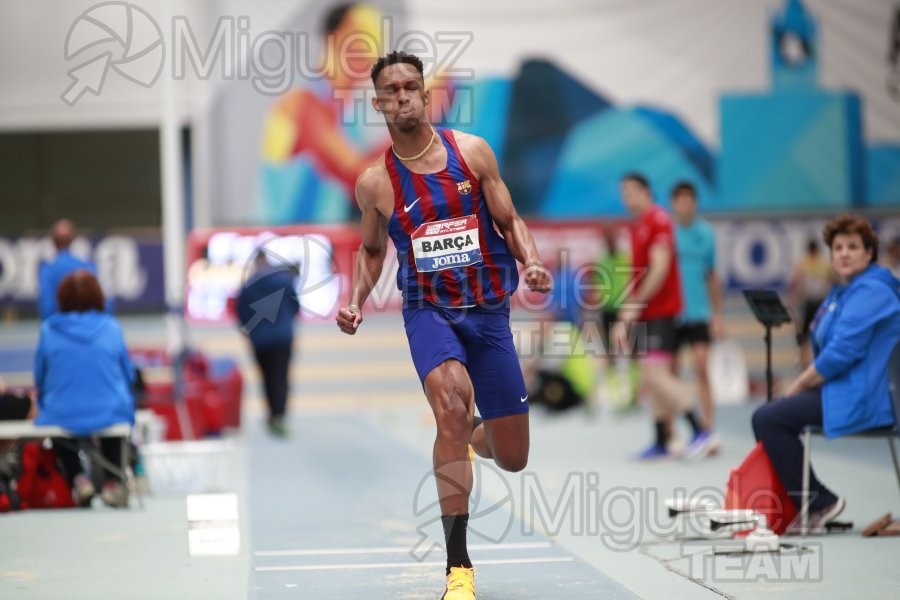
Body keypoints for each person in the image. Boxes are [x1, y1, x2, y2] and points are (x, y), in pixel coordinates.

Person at [335, 51, 551, 600]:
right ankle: (459, 567)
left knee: (513, 456)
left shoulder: (472, 153)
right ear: (379, 102)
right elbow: (371, 251)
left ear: (425, 95)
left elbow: (509, 219)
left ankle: (478, 434)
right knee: (450, 405)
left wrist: (529, 261)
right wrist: (356, 299)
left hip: (488, 314)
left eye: (412, 87)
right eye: (393, 90)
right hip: (428, 311)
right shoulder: (374, 184)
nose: (404, 96)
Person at [752, 214, 900, 530]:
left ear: (869, 253)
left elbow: (839, 355)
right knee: (770, 413)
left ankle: (819, 503)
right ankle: (806, 505)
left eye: (853, 247)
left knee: (768, 418)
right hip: (843, 389)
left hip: (867, 396)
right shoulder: (842, 293)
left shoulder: (874, 291)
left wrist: (798, 385)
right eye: (838, 247)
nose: (844, 253)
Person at [612, 173, 701, 460]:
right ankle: (662, 439)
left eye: (630, 191)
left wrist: (636, 303)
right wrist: (624, 315)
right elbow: (637, 277)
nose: (626, 197)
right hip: (647, 313)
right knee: (652, 380)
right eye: (622, 192)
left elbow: (660, 268)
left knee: (657, 376)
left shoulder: (658, 220)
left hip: (662, 312)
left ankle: (701, 430)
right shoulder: (637, 226)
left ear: (646, 192)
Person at [34, 270, 136, 507]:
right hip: (109, 409)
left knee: (57, 420)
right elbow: (128, 374)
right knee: (114, 409)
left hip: (62, 412)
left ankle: (78, 478)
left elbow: (39, 378)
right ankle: (113, 481)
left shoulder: (48, 330)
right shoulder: (112, 328)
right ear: (98, 296)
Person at [670, 181, 724, 460]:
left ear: (695, 202)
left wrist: (717, 314)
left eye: (688, 199)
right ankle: (678, 433)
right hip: (672, 314)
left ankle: (709, 431)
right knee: (672, 374)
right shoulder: (667, 233)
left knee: (702, 368)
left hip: (699, 313)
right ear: (673, 203)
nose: (684, 204)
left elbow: (712, 277)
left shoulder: (706, 234)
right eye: (679, 199)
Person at [236, 250, 300, 437]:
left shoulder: (248, 284)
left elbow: (241, 312)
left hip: (259, 340)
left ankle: (271, 414)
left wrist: (250, 332)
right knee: (280, 377)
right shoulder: (285, 281)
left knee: (266, 378)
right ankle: (279, 415)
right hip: (282, 338)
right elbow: (296, 307)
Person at [38, 219, 97, 320]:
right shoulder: (87, 266)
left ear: (53, 242)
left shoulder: (47, 270)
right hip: (86, 326)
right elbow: (100, 302)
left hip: (58, 328)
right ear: (72, 240)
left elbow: (46, 305)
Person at [788, 238, 833, 368]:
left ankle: (814, 362)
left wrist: (793, 301)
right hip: (810, 303)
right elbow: (796, 284)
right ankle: (804, 362)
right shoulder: (808, 264)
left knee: (819, 333)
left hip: (818, 303)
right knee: (805, 335)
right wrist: (794, 302)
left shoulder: (810, 264)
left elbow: (831, 282)